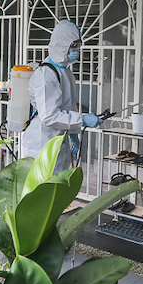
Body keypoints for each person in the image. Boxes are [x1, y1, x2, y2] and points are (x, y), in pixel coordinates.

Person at [21, 19, 102, 171]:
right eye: (73, 46)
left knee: (58, 185)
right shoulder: (46, 75)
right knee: (42, 188)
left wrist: (73, 133)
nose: (77, 50)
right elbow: (49, 116)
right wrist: (82, 119)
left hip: (59, 138)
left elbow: (68, 106)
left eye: (78, 45)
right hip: (41, 140)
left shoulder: (66, 72)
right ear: (62, 45)